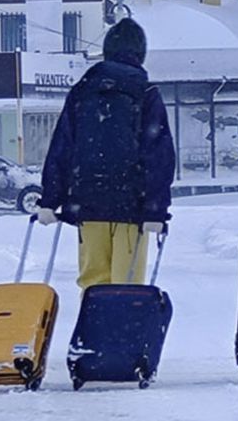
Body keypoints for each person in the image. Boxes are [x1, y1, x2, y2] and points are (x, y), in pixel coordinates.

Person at [37, 18, 175, 289]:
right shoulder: (146, 94)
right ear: (141, 54)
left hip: (87, 206)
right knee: (128, 285)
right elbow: (158, 157)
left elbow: (62, 148)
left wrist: (50, 201)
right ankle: (123, 331)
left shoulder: (82, 92)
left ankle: (93, 330)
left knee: (92, 284)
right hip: (132, 209)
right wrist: (155, 211)